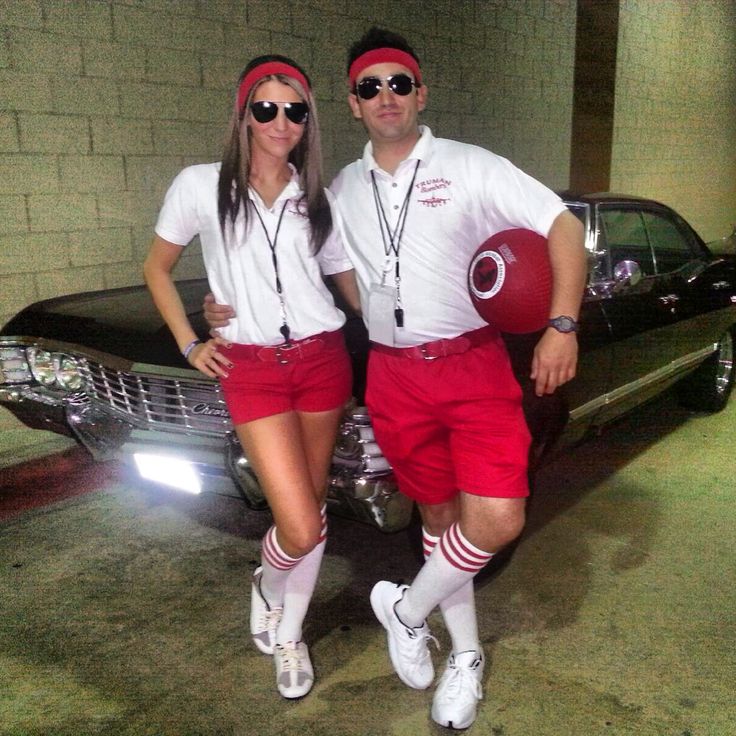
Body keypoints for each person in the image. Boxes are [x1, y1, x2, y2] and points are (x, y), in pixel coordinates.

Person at [204, 29, 587, 729]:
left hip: (472, 364)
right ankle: (464, 658)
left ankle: (404, 609)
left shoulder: (470, 166)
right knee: (439, 523)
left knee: (497, 518)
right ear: (352, 104)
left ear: (420, 93)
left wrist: (561, 324)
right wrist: (218, 305)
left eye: (399, 83)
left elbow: (561, 225)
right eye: (370, 87)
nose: (386, 96)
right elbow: (306, 263)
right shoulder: (341, 188)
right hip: (394, 377)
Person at [144, 55, 359, 700]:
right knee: (296, 526)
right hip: (253, 370)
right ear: (243, 115)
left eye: (295, 111)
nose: (280, 121)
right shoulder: (200, 185)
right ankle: (268, 578)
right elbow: (157, 268)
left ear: (308, 122)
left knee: (314, 513)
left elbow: (345, 280)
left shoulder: (317, 198)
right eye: (265, 108)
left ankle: (289, 630)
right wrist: (190, 340)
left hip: (323, 361)